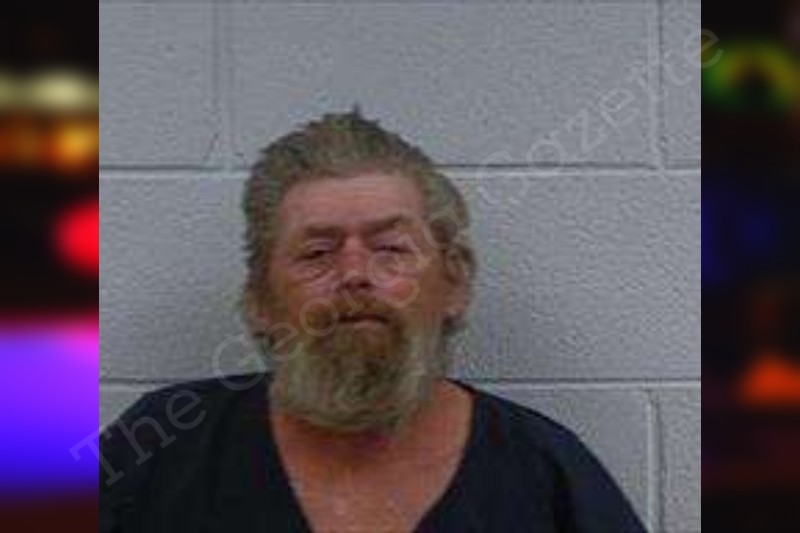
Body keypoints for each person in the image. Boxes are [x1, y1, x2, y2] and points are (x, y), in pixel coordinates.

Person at [100, 110, 647, 532]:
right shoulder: (161, 446)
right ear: (260, 300)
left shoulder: (545, 475)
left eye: (391, 249)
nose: (355, 275)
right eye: (317, 253)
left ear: (454, 285)